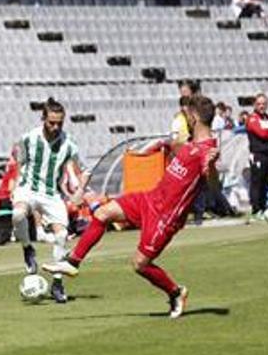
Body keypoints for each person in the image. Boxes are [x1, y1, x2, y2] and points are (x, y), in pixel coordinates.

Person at [44, 95, 220, 318]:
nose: (185, 118)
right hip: (150, 199)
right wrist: (164, 144)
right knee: (103, 213)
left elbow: (213, 183)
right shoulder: (191, 145)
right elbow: (180, 150)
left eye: (187, 115)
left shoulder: (208, 150)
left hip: (165, 217)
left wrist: (212, 167)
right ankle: (73, 262)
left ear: (194, 117)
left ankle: (176, 292)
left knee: (139, 264)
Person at [12, 97, 90, 303]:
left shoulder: (69, 144)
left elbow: (85, 170)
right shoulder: (29, 138)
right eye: (51, 122)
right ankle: (28, 248)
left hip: (51, 194)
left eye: (59, 123)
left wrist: (80, 190)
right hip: (28, 188)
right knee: (18, 214)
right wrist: (16, 185)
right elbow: (18, 161)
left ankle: (57, 283)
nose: (55, 127)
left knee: (62, 234)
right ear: (43, 119)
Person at [246, 93, 268, 220]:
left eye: (264, 104)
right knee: (257, 182)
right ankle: (256, 210)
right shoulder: (252, 118)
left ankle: (263, 206)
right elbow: (262, 133)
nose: (261, 106)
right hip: (257, 154)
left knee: (266, 182)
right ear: (255, 105)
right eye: (259, 104)